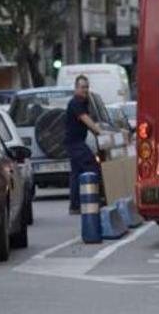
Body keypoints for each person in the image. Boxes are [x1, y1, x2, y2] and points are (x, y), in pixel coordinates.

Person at [64, 75, 104, 215]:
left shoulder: (84, 101)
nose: (85, 90)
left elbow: (89, 122)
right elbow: (86, 119)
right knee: (93, 166)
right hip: (75, 143)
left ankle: (74, 206)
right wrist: (100, 133)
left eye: (87, 87)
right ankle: (97, 199)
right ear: (76, 88)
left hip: (76, 142)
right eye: (82, 87)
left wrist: (99, 132)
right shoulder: (75, 103)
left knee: (76, 174)